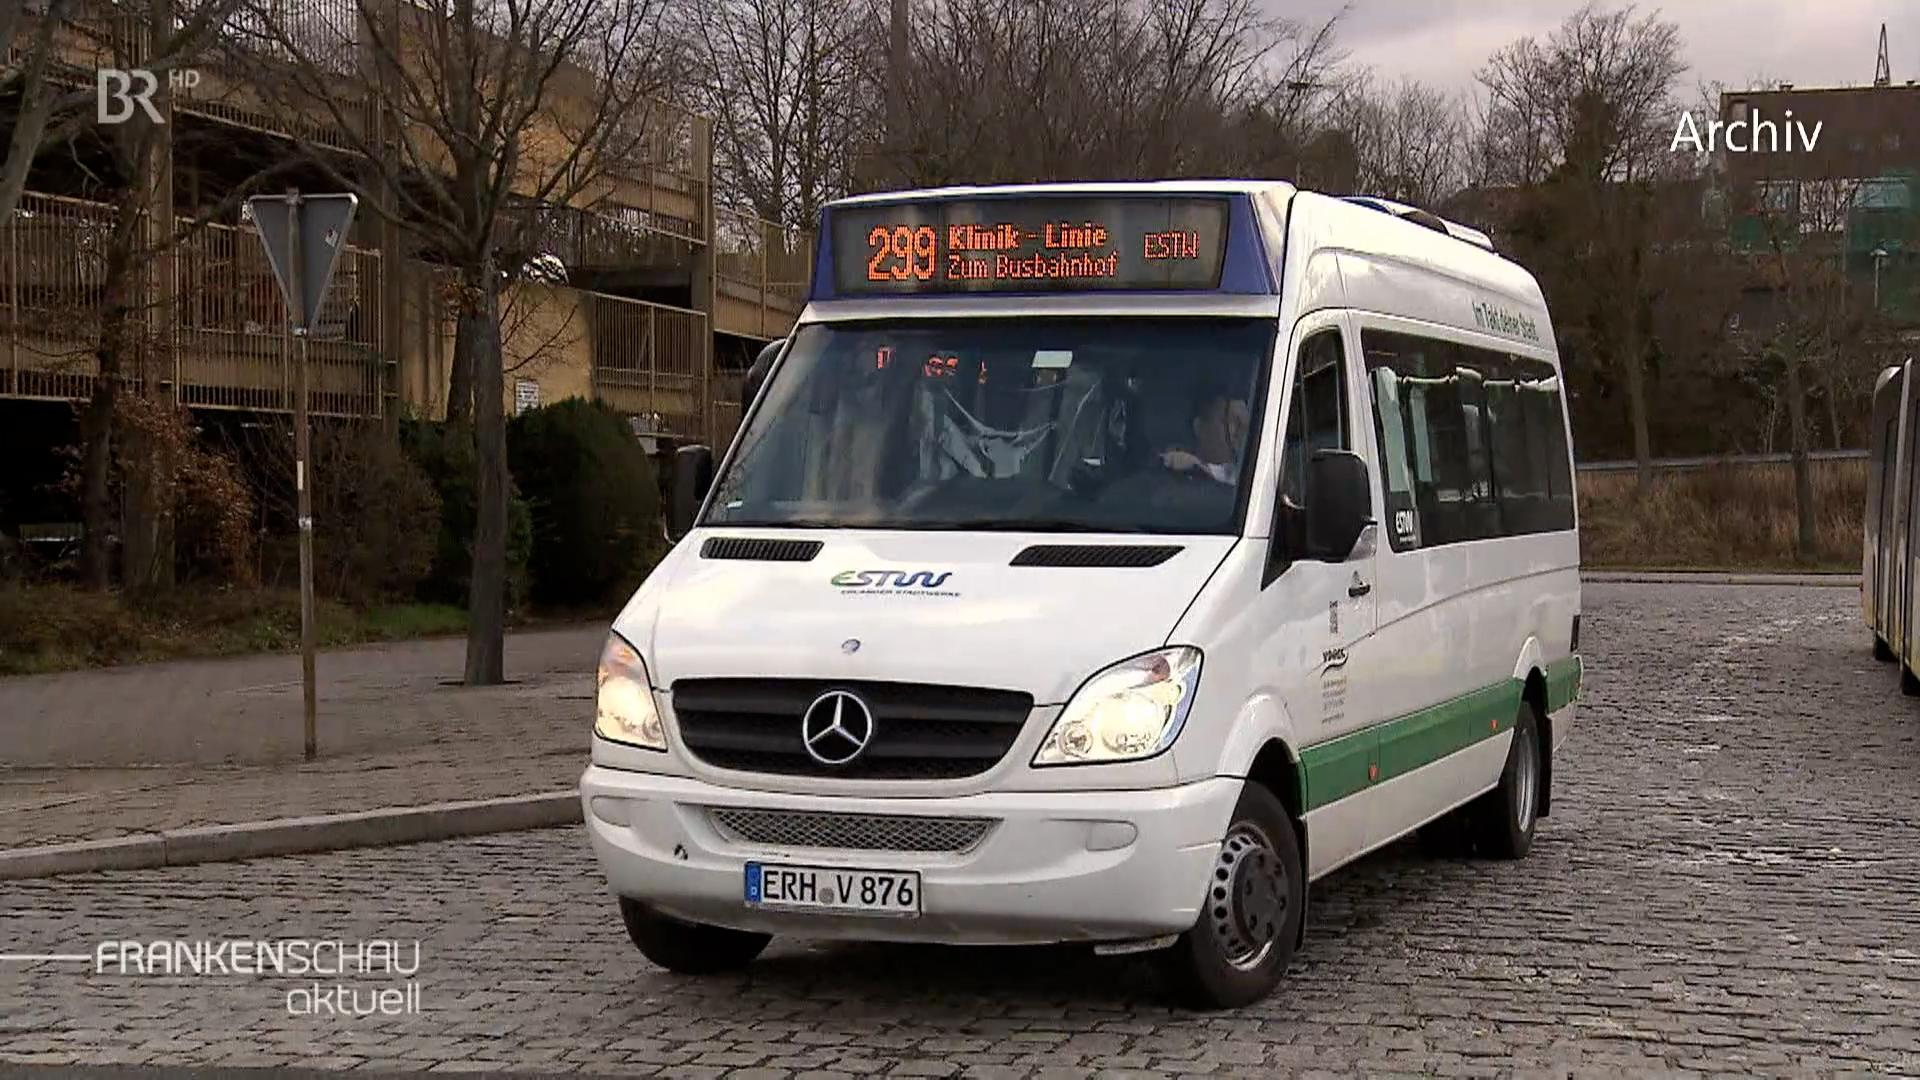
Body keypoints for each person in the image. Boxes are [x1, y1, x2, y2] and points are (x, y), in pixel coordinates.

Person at [1161, 389, 1250, 484]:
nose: (1236, 431)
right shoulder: (1178, 473)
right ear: (1199, 427)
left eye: (1240, 423)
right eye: (1227, 420)